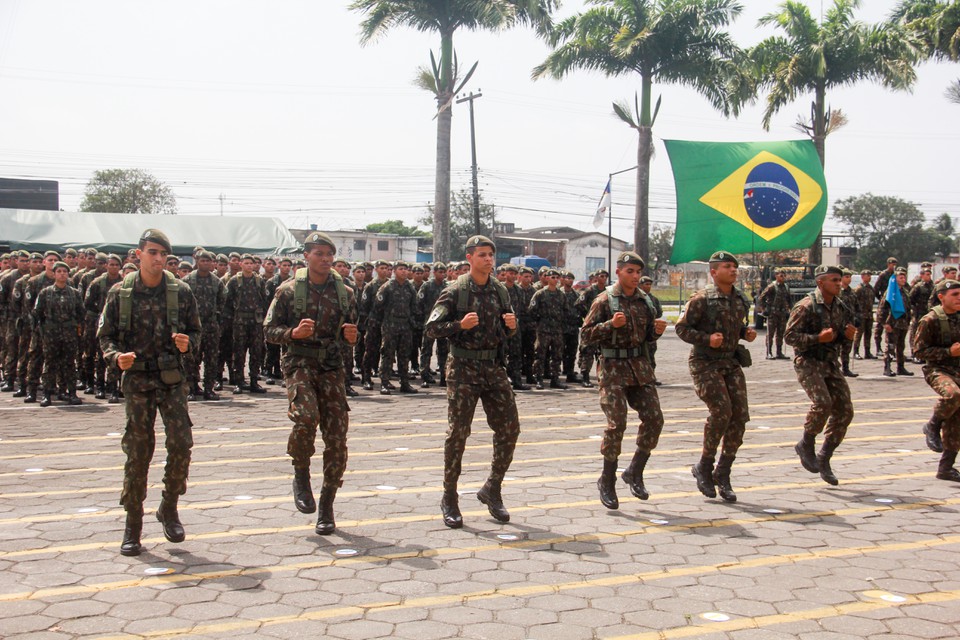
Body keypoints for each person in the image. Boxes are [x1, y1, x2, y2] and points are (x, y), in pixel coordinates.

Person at [98, 229, 201, 556]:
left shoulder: (181, 292)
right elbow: (105, 337)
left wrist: (188, 343)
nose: (158, 259)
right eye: (152, 252)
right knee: (139, 451)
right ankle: (133, 525)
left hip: (171, 379)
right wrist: (117, 358)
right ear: (138, 254)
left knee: (181, 442)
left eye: (163, 254)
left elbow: (197, 333)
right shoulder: (120, 293)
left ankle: (168, 506)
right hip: (138, 382)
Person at [263, 231, 358, 535]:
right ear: (306, 256)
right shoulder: (288, 291)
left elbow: (349, 331)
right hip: (299, 362)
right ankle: (300, 472)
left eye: (329, 254)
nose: (326, 259)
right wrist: (292, 334)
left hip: (331, 365)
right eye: (319, 254)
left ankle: (327, 504)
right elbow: (268, 330)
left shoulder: (346, 292)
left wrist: (351, 338)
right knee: (306, 417)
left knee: (337, 435)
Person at [425, 235, 519, 528]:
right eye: (482, 255)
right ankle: (449, 496)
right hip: (463, 367)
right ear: (469, 258)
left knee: (510, 429)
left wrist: (511, 328)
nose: (489, 259)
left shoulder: (500, 290)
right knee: (459, 433)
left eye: (491, 254)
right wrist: (458, 325)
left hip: (492, 367)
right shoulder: (455, 291)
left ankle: (493, 488)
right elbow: (431, 328)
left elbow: (505, 330)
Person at [581, 252, 666, 508]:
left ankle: (634, 471)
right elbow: (585, 336)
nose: (635, 277)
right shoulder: (605, 300)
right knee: (617, 423)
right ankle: (607, 480)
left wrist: (656, 332)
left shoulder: (645, 301)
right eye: (630, 271)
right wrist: (609, 325)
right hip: (613, 368)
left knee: (655, 418)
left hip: (639, 368)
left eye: (638, 272)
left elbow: (647, 337)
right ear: (618, 272)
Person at [675, 251, 757, 502]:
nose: (733, 270)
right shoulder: (701, 299)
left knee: (740, 416)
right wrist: (706, 339)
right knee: (722, 411)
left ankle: (723, 472)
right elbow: (681, 328)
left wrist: (745, 332)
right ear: (713, 272)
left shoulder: (741, 299)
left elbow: (735, 325)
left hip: (730, 362)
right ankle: (704, 465)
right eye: (727, 266)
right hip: (705, 362)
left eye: (735, 266)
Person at [784, 265, 857, 485]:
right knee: (823, 403)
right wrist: (817, 338)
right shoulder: (806, 306)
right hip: (808, 362)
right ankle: (806, 443)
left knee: (845, 411)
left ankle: (825, 456)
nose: (838, 283)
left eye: (840, 280)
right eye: (834, 280)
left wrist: (848, 337)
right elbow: (789, 336)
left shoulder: (840, 307)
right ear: (820, 283)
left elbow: (839, 338)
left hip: (829, 363)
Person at [914, 278, 960, 482]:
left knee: (957, 418)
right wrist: (948, 352)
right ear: (941, 297)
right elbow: (919, 351)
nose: (959, 298)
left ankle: (946, 468)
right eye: (955, 295)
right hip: (938, 369)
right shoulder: (930, 320)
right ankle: (932, 425)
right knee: (953, 395)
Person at [33, 261, 85, 407]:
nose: (62, 274)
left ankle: (72, 393)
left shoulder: (74, 293)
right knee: (50, 364)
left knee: (69, 364)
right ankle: (47, 394)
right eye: (59, 271)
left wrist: (77, 329)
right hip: (51, 334)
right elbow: (37, 313)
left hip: (69, 334)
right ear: (54, 274)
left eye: (65, 271)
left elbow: (81, 313)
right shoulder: (46, 292)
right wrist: (44, 329)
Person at [182, 250, 226, 400]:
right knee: (191, 359)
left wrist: (216, 319)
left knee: (211, 358)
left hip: (211, 326)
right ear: (197, 261)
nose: (205, 263)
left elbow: (222, 302)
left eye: (208, 261)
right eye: (202, 260)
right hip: (193, 327)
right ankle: (192, 388)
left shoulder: (216, 282)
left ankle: (209, 388)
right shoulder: (188, 280)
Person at [373, 260, 419, 394]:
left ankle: (404, 383)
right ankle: (385, 383)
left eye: (405, 269)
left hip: (405, 325)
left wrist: (412, 322)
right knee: (387, 354)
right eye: (401, 269)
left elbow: (414, 306)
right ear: (394, 271)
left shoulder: (409, 287)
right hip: (390, 325)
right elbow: (378, 306)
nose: (404, 271)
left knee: (404, 355)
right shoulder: (387, 287)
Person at [225, 254, 268, 394]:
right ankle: (239, 381)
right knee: (239, 352)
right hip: (240, 322)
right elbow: (227, 303)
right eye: (247, 263)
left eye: (251, 263)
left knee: (256, 352)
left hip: (255, 322)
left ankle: (254, 381)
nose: (249, 265)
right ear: (241, 264)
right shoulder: (233, 281)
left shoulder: (259, 281)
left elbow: (264, 300)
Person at [528, 268, 568, 390]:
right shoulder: (540, 294)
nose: (555, 280)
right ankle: (539, 379)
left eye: (557, 278)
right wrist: (540, 321)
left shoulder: (561, 295)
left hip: (557, 330)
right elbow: (532, 310)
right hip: (543, 329)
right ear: (547, 278)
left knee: (557, 355)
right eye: (552, 277)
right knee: (540, 355)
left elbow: (565, 310)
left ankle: (555, 379)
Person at [878, 267, 913, 377]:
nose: (903, 279)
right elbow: (882, 308)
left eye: (904, 277)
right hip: (893, 324)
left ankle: (900, 367)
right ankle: (887, 367)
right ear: (895, 279)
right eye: (901, 277)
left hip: (903, 324)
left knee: (901, 347)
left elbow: (908, 307)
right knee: (891, 346)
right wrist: (884, 323)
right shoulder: (890, 292)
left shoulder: (905, 291)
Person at [757, 269, 792, 359]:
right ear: (776, 276)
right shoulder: (772, 287)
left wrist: (790, 311)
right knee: (770, 333)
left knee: (780, 333)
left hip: (782, 313)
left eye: (784, 275)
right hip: (773, 313)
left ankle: (779, 352)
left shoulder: (786, 287)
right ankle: (769, 352)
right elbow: (761, 298)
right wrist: (764, 309)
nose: (783, 277)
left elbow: (789, 300)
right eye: (781, 275)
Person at [639, 275, 664, 384]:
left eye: (649, 284)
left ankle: (651, 376)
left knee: (651, 354)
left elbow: (659, 312)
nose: (648, 286)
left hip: (651, 330)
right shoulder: (638, 297)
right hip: (639, 331)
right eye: (646, 284)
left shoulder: (653, 299)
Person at [873, 257, 898, 356]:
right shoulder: (883, 275)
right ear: (888, 264)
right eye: (892, 264)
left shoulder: (896, 275)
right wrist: (881, 299)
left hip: (892, 303)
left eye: (895, 264)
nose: (894, 266)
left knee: (892, 326)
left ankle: (892, 349)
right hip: (884, 303)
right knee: (880, 327)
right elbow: (876, 289)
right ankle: (878, 348)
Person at [838, 269, 860, 378]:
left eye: (850, 277)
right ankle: (834, 369)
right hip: (838, 324)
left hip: (850, 324)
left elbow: (857, 306)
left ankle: (845, 368)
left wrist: (857, 318)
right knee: (836, 347)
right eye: (846, 277)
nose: (849, 279)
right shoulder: (837, 291)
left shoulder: (852, 292)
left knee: (847, 347)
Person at [909, 268, 933, 362]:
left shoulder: (933, 286)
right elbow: (910, 299)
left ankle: (924, 354)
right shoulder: (918, 287)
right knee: (915, 333)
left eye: (929, 274)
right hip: (918, 314)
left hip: (928, 314)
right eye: (927, 274)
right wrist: (914, 309)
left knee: (926, 334)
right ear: (922, 275)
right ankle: (914, 353)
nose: (928, 276)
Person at [853, 270, 875, 359]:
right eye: (867, 275)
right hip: (861, 314)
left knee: (868, 333)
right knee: (858, 333)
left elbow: (872, 300)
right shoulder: (859, 288)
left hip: (869, 314)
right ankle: (856, 351)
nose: (869, 277)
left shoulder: (871, 288)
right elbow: (854, 301)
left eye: (870, 275)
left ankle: (867, 351)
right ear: (862, 277)